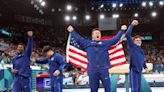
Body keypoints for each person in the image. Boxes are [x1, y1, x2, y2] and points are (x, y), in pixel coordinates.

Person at [67, 25, 127, 92]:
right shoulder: (87, 43)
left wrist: (122, 30)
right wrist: (72, 31)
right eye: (96, 33)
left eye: (99, 33)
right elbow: (78, 38)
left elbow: (115, 39)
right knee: (93, 89)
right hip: (92, 70)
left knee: (108, 89)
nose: (98, 34)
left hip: (103, 69)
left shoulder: (105, 43)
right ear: (92, 35)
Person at [125, 20, 149, 92]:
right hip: (134, 70)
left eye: (139, 40)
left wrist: (145, 67)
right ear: (133, 41)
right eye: (137, 40)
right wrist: (132, 25)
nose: (138, 41)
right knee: (134, 89)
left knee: (138, 89)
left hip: (139, 71)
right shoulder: (132, 46)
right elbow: (127, 35)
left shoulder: (141, 50)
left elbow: (142, 60)